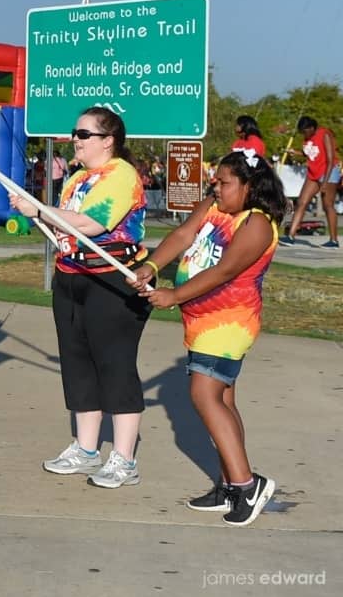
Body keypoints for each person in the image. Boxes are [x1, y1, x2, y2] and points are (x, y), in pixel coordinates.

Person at [130, 150, 283, 526]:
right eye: (215, 180)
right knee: (224, 400)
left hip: (228, 322)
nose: (215, 187)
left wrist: (174, 295)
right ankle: (229, 482)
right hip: (202, 321)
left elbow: (226, 270)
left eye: (224, 182)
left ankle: (247, 485)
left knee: (204, 394)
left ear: (250, 187)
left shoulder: (257, 223)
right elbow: (184, 233)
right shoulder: (216, 205)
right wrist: (151, 266)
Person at [10, 107, 151, 488]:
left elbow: (93, 224)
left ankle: (124, 458)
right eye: (75, 132)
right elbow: (62, 228)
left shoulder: (122, 175)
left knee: (115, 365)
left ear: (108, 141)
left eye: (84, 134)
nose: (76, 139)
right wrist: (34, 213)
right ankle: (86, 449)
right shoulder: (75, 178)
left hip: (112, 281)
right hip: (71, 277)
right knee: (77, 362)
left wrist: (39, 207)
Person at [282, 116, 338, 247]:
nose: (304, 134)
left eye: (305, 131)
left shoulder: (324, 134)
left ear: (312, 128)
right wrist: (295, 152)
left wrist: (324, 183)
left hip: (328, 172)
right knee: (302, 202)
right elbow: (311, 153)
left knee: (327, 205)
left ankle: (334, 240)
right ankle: (290, 236)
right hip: (313, 173)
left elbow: (330, 159)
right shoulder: (307, 137)